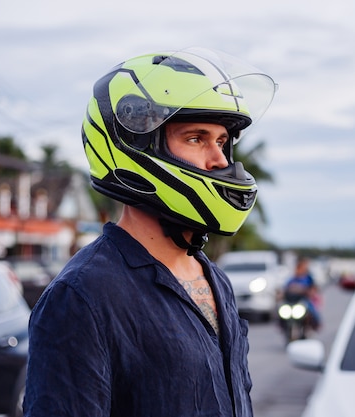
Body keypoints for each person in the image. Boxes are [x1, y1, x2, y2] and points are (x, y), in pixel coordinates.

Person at [24, 47, 277, 417]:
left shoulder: (215, 280)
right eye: (196, 138)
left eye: (222, 142)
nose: (221, 161)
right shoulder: (82, 298)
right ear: (136, 148)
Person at [283, 257, 322, 329]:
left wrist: (309, 292)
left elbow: (313, 288)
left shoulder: (308, 278)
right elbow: (285, 287)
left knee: (312, 309)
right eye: (299, 268)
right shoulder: (293, 278)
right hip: (292, 300)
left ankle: (317, 324)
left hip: (303, 300)